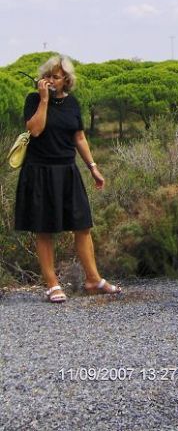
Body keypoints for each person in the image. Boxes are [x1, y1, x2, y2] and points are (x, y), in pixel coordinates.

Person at [14, 55, 122, 302]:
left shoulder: (72, 103)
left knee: (82, 225)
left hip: (67, 170)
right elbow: (35, 129)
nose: (50, 80)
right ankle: (52, 285)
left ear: (66, 80)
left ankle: (93, 280)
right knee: (44, 229)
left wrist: (93, 167)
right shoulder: (33, 99)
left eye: (55, 76)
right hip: (39, 171)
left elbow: (79, 137)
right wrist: (43, 100)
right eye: (47, 75)